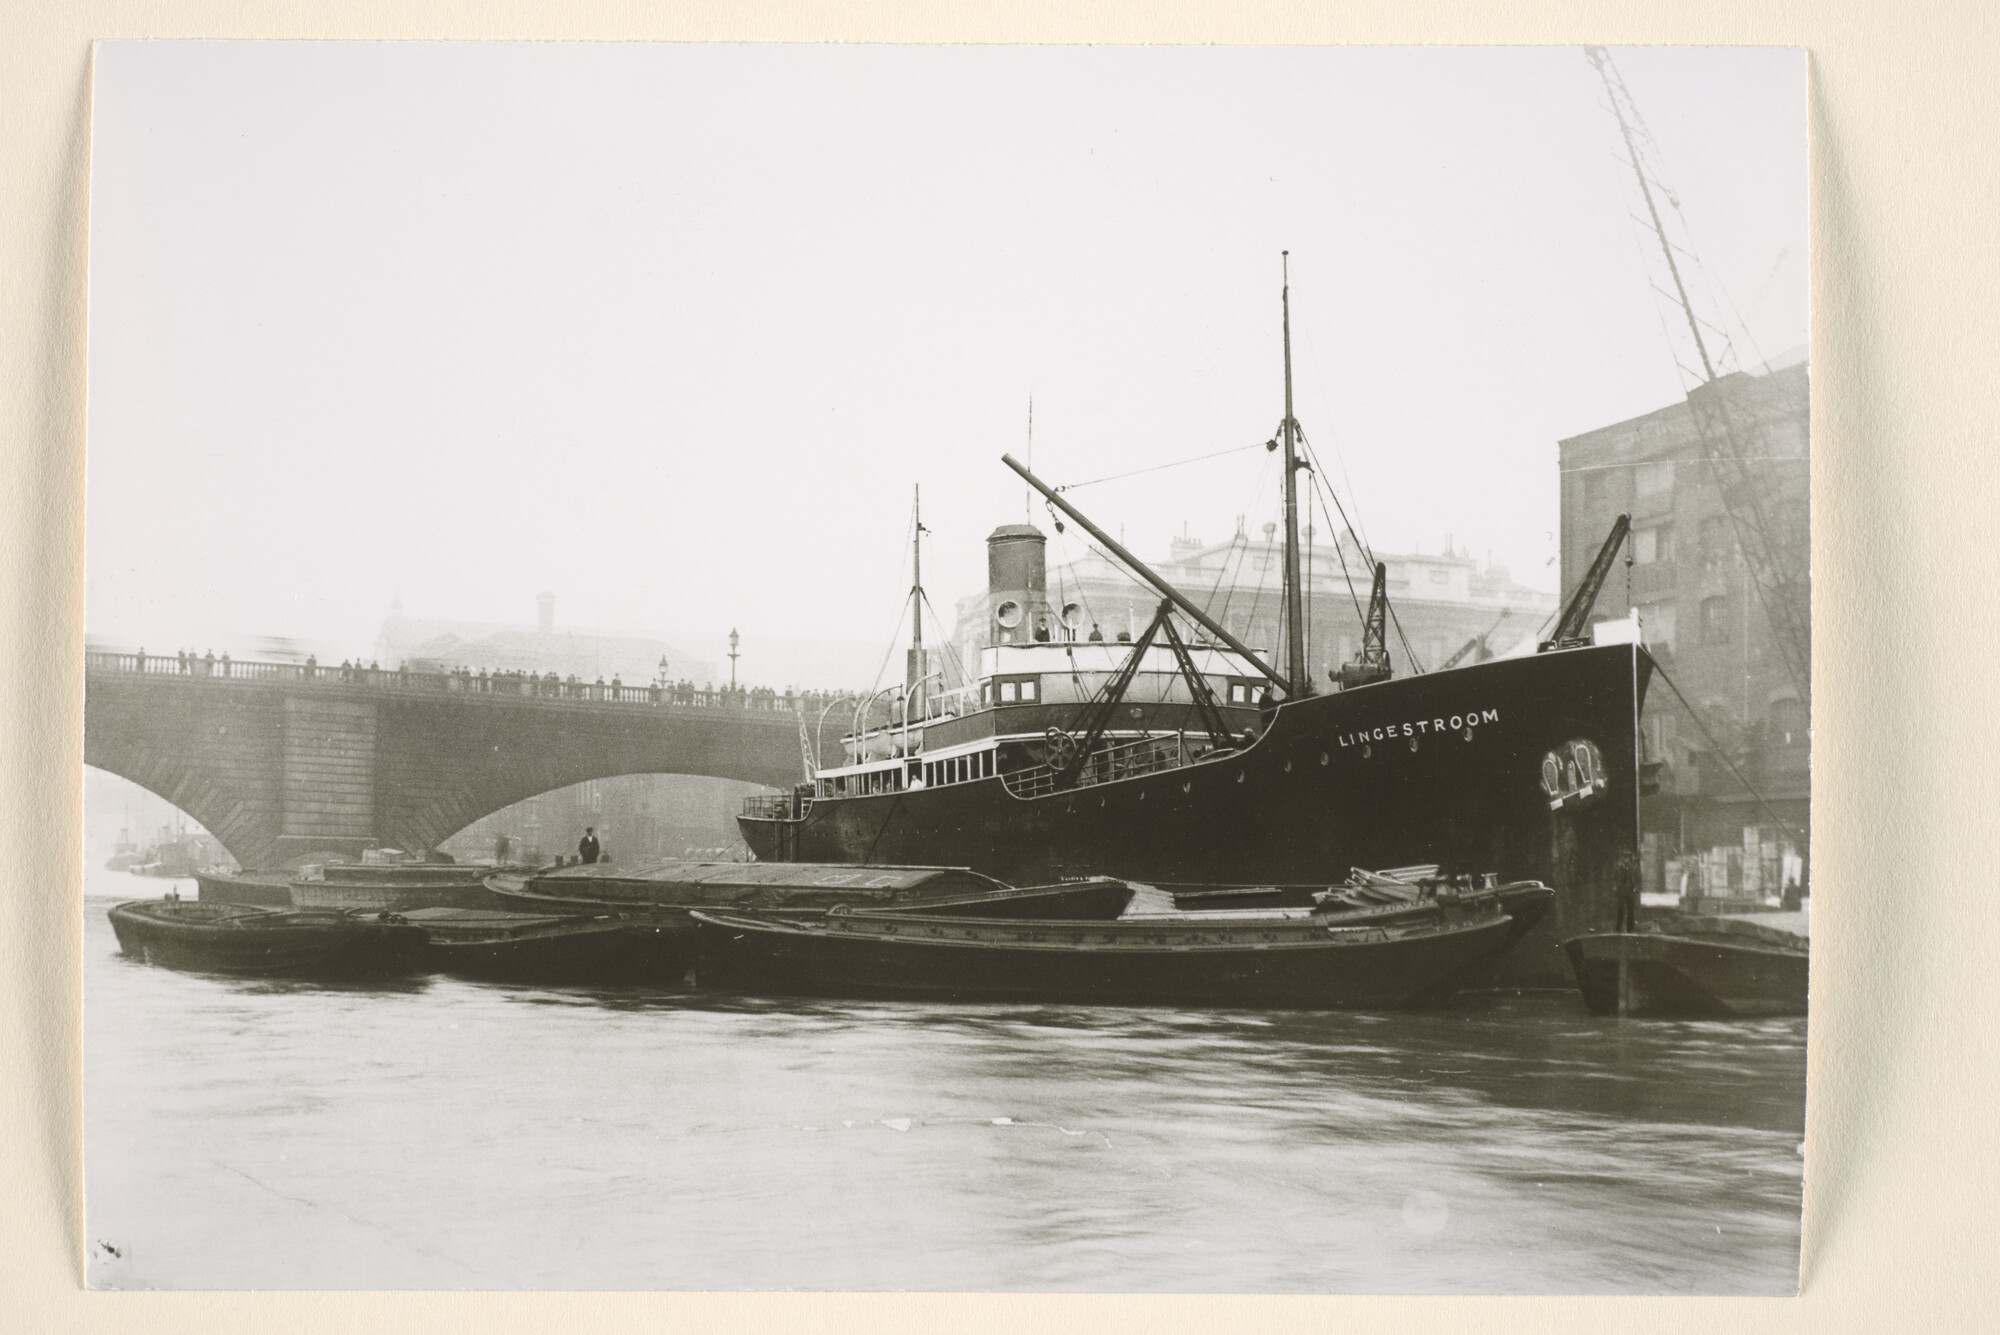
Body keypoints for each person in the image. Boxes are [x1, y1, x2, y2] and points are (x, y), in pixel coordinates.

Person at [1613, 849, 1641, 933]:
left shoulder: (1634, 868)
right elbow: (1615, 878)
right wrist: (1615, 886)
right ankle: (1618, 928)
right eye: (1624, 857)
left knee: (1630, 909)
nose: (1626, 859)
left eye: (1627, 857)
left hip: (1630, 890)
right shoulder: (1619, 868)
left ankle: (1630, 929)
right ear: (1622, 858)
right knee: (1620, 909)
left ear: (1630, 858)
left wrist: (1636, 887)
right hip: (1621, 890)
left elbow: (1638, 879)